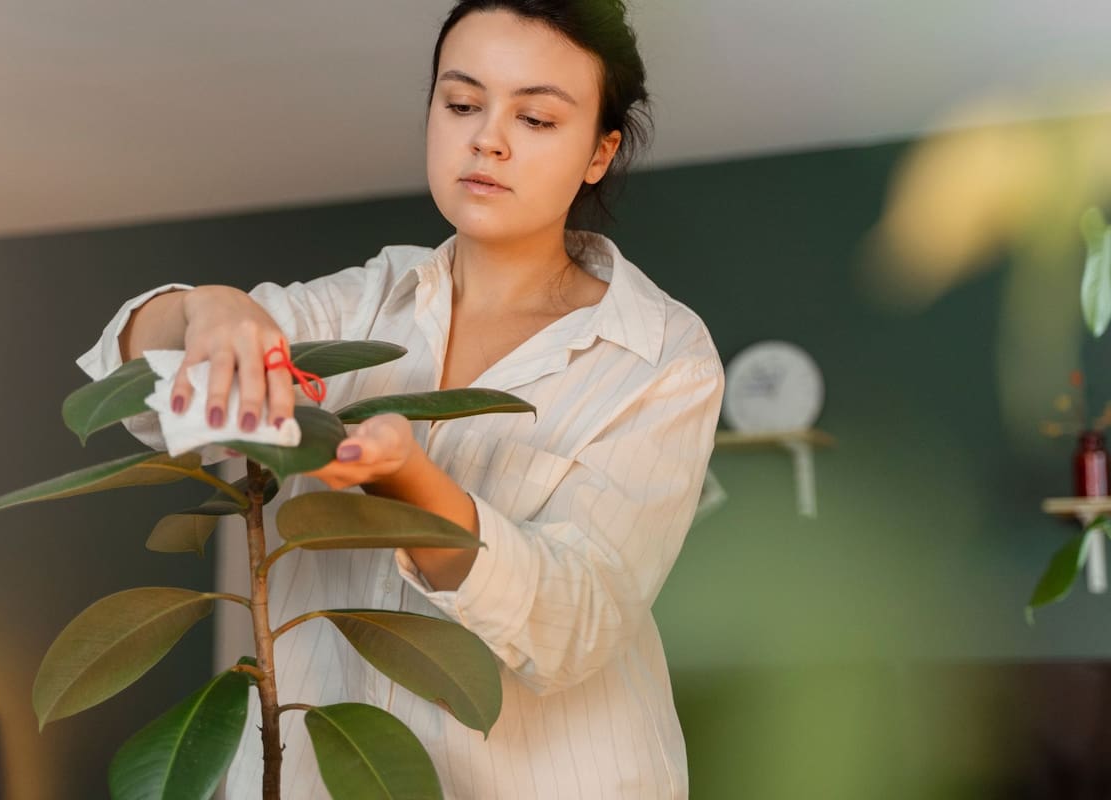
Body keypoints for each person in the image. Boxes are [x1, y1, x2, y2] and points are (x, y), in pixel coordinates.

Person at [79, 1, 722, 796]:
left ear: (600, 151)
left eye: (536, 118)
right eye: (461, 103)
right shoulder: (364, 304)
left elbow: (578, 622)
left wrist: (408, 482)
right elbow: (132, 392)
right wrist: (206, 308)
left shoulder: (661, 353)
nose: (487, 139)